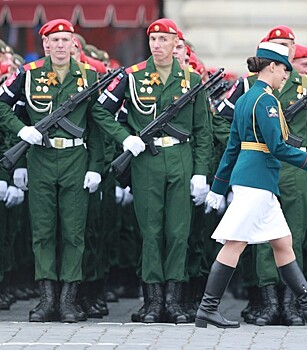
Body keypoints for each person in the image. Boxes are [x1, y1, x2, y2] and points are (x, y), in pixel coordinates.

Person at [195, 41, 307, 329]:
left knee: (283, 242)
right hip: (257, 180)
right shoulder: (266, 100)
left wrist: (219, 186)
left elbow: (232, 148)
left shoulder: (246, 98)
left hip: (253, 179)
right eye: (284, 69)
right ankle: (207, 308)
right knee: (235, 244)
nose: (286, 75)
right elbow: (278, 147)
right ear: (271, 66)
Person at [91, 18, 213, 324]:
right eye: (153, 39)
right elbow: (99, 110)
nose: (157, 44)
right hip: (147, 160)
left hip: (180, 157)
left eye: (163, 39)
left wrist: (200, 173)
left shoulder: (191, 80)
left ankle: (174, 301)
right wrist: (125, 138)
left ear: (176, 44)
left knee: (178, 232)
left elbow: (203, 131)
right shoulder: (132, 77)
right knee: (151, 232)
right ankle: (153, 302)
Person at [0, 18, 104, 323]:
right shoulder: (28, 75)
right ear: (45, 44)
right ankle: (46, 301)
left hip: (75, 158)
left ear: (74, 43)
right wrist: (22, 132)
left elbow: (96, 126)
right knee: (42, 233)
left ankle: (68, 301)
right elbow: (3, 106)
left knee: (74, 233)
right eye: (54, 40)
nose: (60, 45)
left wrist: (96, 167)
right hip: (41, 159)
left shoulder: (88, 75)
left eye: (65, 40)